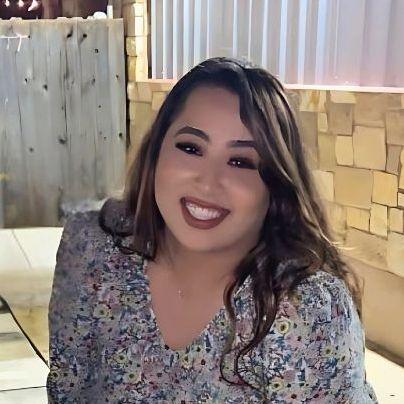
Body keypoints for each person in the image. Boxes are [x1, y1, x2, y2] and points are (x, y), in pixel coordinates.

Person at [46, 57, 378, 403]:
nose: (208, 182)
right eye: (191, 148)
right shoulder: (94, 250)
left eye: (241, 162)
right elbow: (68, 389)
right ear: (156, 152)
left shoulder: (306, 312)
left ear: (276, 186)